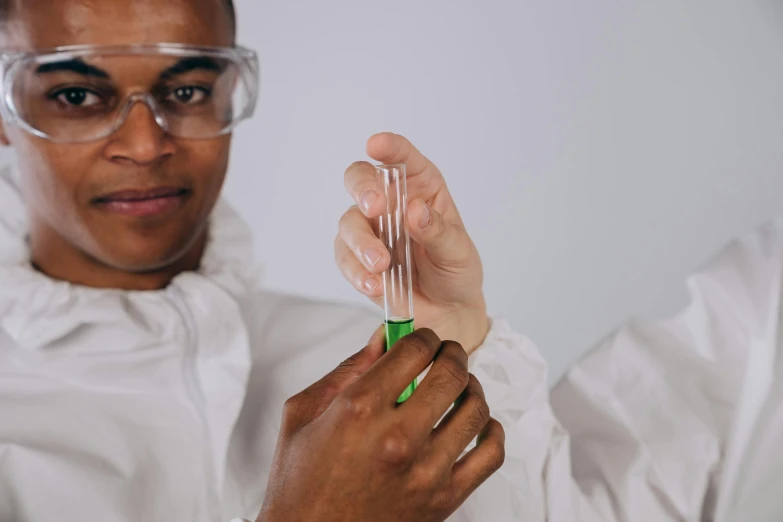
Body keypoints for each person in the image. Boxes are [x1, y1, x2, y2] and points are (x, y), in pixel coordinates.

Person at [2, 1, 781, 522]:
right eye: (77, 96)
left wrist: (462, 350)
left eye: (188, 88)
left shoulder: (363, 368)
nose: (145, 143)